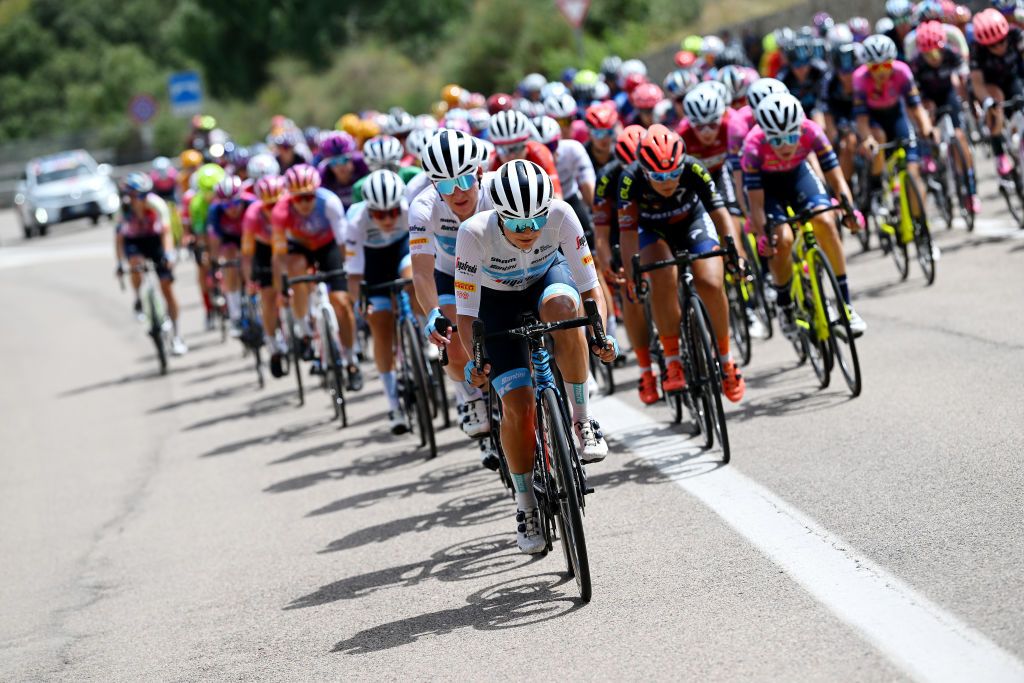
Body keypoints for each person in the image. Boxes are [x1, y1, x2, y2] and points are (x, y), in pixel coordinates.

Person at [456, 160, 616, 554]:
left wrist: (599, 334)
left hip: (548, 279)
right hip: (495, 302)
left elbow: (591, 289)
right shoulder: (473, 233)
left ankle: (581, 420)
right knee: (520, 406)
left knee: (567, 308)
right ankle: (525, 503)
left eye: (535, 222)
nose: (528, 232)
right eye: (517, 225)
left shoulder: (562, 215)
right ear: (498, 215)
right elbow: (465, 313)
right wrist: (474, 360)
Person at [618, 125, 746, 405]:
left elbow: (720, 214)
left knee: (712, 283)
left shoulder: (694, 167)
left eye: (674, 173)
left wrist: (735, 253)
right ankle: (673, 360)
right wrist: (632, 274)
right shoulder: (629, 179)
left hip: (692, 222)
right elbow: (627, 234)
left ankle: (726, 360)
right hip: (652, 232)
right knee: (661, 275)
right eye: (659, 176)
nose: (668, 181)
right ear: (644, 170)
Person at [741, 92, 866, 339]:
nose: (786, 145)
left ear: (800, 128)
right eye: (777, 140)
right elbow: (755, 204)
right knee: (782, 239)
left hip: (798, 177)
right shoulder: (752, 146)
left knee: (825, 221)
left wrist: (849, 210)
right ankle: (785, 302)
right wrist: (763, 232)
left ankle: (845, 305)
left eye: (790, 136)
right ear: (765, 135)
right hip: (768, 189)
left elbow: (836, 177)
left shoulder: (811, 131)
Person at [411, 130, 497, 462]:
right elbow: (420, 271)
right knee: (452, 335)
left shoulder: (496, 191)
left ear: (478, 172)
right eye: (446, 185)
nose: (457, 192)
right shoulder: (423, 207)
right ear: (434, 185)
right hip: (452, 275)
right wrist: (432, 311)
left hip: (500, 270)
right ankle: (471, 397)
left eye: (464, 180)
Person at [271, 164, 363, 391]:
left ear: (317, 192)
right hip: (299, 248)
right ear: (290, 197)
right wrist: (282, 287)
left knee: (341, 303)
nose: (304, 203)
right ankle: (304, 331)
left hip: (327, 246)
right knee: (296, 270)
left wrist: (347, 272)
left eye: (309, 197)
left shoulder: (329, 202)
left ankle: (352, 361)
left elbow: (343, 245)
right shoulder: (281, 211)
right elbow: (279, 256)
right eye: (298, 198)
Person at [345, 170, 415, 434]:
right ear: (369, 210)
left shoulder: (410, 210)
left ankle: (421, 333)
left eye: (392, 212)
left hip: (401, 253)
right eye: (379, 214)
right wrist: (360, 304)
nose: (387, 220)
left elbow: (423, 258)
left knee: (412, 279)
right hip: (371, 266)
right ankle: (393, 404)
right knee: (380, 325)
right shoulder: (355, 221)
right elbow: (353, 275)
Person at [854, 34, 934, 229]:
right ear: (867, 67)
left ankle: (922, 227)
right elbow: (861, 120)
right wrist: (868, 139)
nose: (881, 72)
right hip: (874, 120)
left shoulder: (902, 71)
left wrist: (927, 128)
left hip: (896, 116)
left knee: (913, 174)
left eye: (886, 65)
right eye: (875, 67)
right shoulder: (860, 79)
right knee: (878, 139)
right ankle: (878, 189)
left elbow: (916, 108)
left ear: (893, 62)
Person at [911, 20, 981, 212]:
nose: (933, 58)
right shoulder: (916, 65)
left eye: (936, 52)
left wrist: (969, 102)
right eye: (928, 54)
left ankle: (971, 189)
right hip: (928, 98)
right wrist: (925, 108)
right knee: (928, 126)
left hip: (947, 95)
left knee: (959, 137)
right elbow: (913, 95)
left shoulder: (951, 55)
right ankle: (930, 156)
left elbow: (963, 82)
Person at [115, 172, 187, 356]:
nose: (139, 199)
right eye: (134, 196)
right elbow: (119, 238)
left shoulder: (156, 204)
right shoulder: (124, 208)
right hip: (135, 241)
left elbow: (166, 232)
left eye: (142, 195)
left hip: (155, 240)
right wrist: (119, 263)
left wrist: (169, 254)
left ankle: (177, 337)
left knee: (167, 287)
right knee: (135, 263)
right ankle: (138, 297)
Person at [969, 9, 1024, 177]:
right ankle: (1000, 155)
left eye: (1001, 41)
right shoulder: (977, 51)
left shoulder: (1015, 35)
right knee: (996, 103)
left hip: (1013, 79)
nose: (999, 47)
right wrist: (986, 101)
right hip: (989, 85)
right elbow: (977, 83)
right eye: (993, 45)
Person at [241, 175, 288, 374]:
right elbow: (246, 254)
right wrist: (249, 280)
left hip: (288, 246)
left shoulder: (290, 207)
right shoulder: (252, 214)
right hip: (264, 250)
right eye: (268, 206)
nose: (273, 210)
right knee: (268, 296)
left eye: (276, 204)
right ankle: (272, 343)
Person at [205, 175, 255, 333]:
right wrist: (215, 262)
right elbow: (214, 241)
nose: (232, 209)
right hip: (229, 240)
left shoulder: (252, 203)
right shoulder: (215, 211)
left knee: (251, 260)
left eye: (235, 203)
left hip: (249, 236)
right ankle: (235, 314)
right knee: (229, 261)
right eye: (227, 205)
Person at [486, 110, 563, 197]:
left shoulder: (540, 153)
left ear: (527, 142)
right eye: (503, 149)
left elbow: (556, 196)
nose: (512, 156)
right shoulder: (490, 164)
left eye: (517, 147)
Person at [317, 131, 369, 207]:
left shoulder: (364, 164)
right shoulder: (323, 176)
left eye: (345, 159)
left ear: (352, 157)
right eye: (334, 162)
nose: (340, 166)